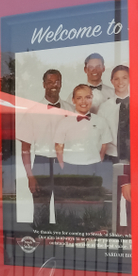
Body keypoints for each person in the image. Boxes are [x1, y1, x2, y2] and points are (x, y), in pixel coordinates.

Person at [17, 69, 75, 229]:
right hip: (42, 163)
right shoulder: (32, 112)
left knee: (65, 211)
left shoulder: (71, 110)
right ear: (44, 85)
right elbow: (25, 149)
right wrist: (30, 176)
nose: (54, 86)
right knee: (40, 213)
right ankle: (41, 249)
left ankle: (63, 249)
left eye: (57, 82)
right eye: (50, 82)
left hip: (66, 163)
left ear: (61, 83)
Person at [54, 84, 115, 231]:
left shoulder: (100, 121)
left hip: (92, 167)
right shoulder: (64, 122)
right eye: (79, 98)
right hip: (69, 168)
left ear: (92, 99)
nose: (83, 101)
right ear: (73, 101)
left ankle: (91, 234)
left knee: (92, 205)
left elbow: (104, 147)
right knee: (68, 204)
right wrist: (64, 167)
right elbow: (59, 148)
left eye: (87, 97)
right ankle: (70, 234)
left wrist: (96, 163)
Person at [97, 65, 130, 163]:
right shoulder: (104, 107)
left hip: (135, 155)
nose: (120, 82)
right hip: (111, 156)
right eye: (116, 79)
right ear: (112, 81)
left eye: (124, 78)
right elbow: (99, 133)